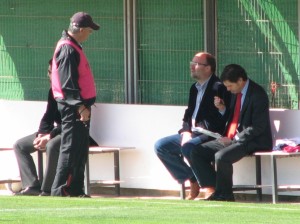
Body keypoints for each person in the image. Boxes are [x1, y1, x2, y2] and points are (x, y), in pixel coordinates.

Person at [14, 60, 98, 196]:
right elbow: (48, 115)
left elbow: (71, 123)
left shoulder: (77, 94)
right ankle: (32, 185)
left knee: (52, 145)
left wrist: (50, 136)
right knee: (19, 145)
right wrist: (42, 134)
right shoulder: (53, 91)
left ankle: (47, 189)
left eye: (54, 72)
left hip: (73, 133)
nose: (51, 75)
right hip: (55, 132)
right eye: (50, 72)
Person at [154, 52, 231, 200]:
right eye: (192, 62)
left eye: (196, 63)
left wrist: (222, 108)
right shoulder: (194, 88)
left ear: (208, 68)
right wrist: (186, 131)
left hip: (210, 133)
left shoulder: (219, 87)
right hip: (192, 132)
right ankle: (192, 179)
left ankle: (210, 187)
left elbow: (226, 116)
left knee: (189, 147)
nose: (192, 66)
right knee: (161, 146)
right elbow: (188, 114)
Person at [191, 64, 273, 202]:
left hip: (253, 140)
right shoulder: (236, 93)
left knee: (221, 157)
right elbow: (233, 116)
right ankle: (216, 190)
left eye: (230, 86)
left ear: (240, 80)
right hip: (233, 138)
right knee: (197, 152)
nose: (228, 89)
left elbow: (258, 127)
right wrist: (222, 108)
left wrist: (235, 138)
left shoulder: (258, 95)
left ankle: (225, 196)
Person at [50, 12, 99, 197]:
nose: (89, 34)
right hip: (74, 108)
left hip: (79, 108)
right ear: (79, 29)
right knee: (70, 149)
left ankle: (76, 190)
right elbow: (67, 83)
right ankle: (61, 190)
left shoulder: (72, 46)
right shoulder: (68, 49)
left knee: (79, 149)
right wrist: (80, 107)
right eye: (88, 30)